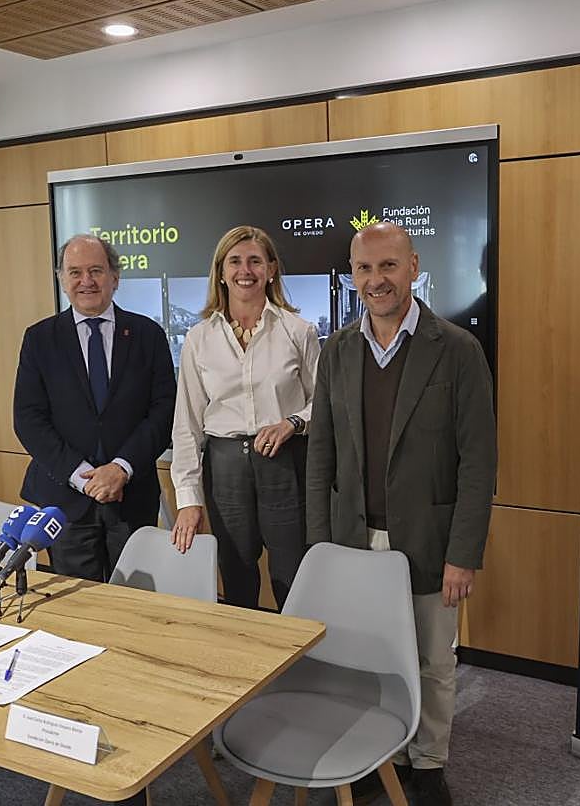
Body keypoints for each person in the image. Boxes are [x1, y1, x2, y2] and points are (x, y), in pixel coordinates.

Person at [306, 221, 496, 806]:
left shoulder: (457, 349)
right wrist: (322, 551)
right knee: (361, 655)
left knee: (433, 659)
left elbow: (478, 464)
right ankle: (372, 751)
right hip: (353, 543)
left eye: (387, 266)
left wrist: (463, 555)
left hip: (430, 541)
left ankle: (429, 762)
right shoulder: (337, 351)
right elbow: (321, 457)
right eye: (364, 269)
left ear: (413, 267)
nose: (376, 280)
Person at [170, 225, 320, 610]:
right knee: (236, 580)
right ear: (221, 272)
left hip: (285, 464)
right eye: (234, 261)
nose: (245, 270)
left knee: (293, 576)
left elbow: (325, 404)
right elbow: (186, 425)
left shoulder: (298, 331)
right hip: (224, 471)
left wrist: (292, 423)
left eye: (255, 260)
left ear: (271, 269)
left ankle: (300, 664)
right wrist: (188, 499)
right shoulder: (199, 338)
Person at [14, 233, 175, 585]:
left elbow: (164, 412)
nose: (86, 281)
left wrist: (121, 468)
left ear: (115, 278)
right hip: (66, 499)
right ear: (62, 279)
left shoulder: (148, 335)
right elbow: (28, 419)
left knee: (136, 601)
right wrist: (83, 477)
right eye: (75, 272)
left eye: (96, 270)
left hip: (132, 497)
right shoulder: (40, 339)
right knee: (77, 605)